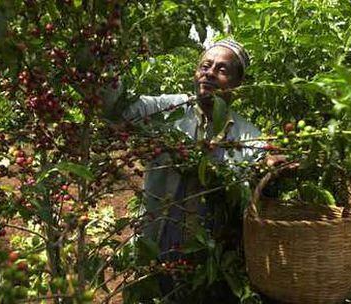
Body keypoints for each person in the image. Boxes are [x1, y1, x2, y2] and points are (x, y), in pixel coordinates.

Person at [113, 39, 281, 303]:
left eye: (222, 70)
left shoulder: (249, 136)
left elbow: (250, 184)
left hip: (214, 261)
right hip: (161, 245)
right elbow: (116, 111)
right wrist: (101, 56)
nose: (210, 73)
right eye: (205, 65)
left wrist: (268, 166)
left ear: (237, 85)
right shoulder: (167, 110)